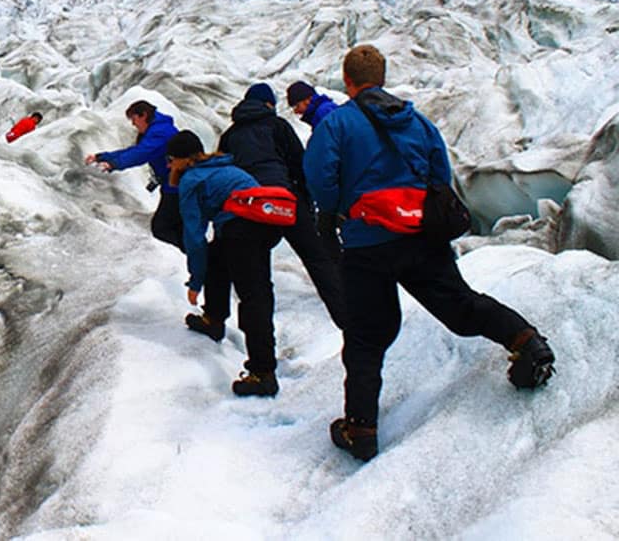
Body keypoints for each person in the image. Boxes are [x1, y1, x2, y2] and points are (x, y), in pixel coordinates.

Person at [304, 44, 555, 462]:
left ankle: (361, 429)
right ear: (381, 78)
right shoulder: (416, 121)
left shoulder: (337, 124)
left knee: (367, 336)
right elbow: (440, 175)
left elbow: (319, 178)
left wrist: (337, 211)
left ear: (347, 80)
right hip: (421, 235)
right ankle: (525, 339)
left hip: (368, 243)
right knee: (460, 306)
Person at [216, 83, 345, 328]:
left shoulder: (229, 136)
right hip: (283, 199)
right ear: (268, 105)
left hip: (249, 207)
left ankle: (261, 365)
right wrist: (307, 207)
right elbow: (300, 165)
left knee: (256, 288)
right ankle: (352, 324)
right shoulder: (277, 126)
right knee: (319, 262)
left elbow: (223, 176)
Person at [166, 130, 284, 398]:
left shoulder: (192, 180)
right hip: (262, 226)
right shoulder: (225, 167)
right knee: (218, 258)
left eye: (170, 160)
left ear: (181, 160)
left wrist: (195, 282)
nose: (169, 166)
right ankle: (213, 319)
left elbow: (194, 237)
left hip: (242, 232)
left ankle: (262, 373)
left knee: (254, 297)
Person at [85, 100, 181, 250]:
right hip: (173, 185)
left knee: (162, 228)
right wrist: (102, 156)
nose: (133, 124)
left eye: (134, 119)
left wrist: (113, 165)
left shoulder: (160, 133)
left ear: (143, 115)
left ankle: (192, 261)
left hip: (177, 187)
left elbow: (140, 154)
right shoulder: (158, 129)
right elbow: (134, 150)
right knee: (173, 227)